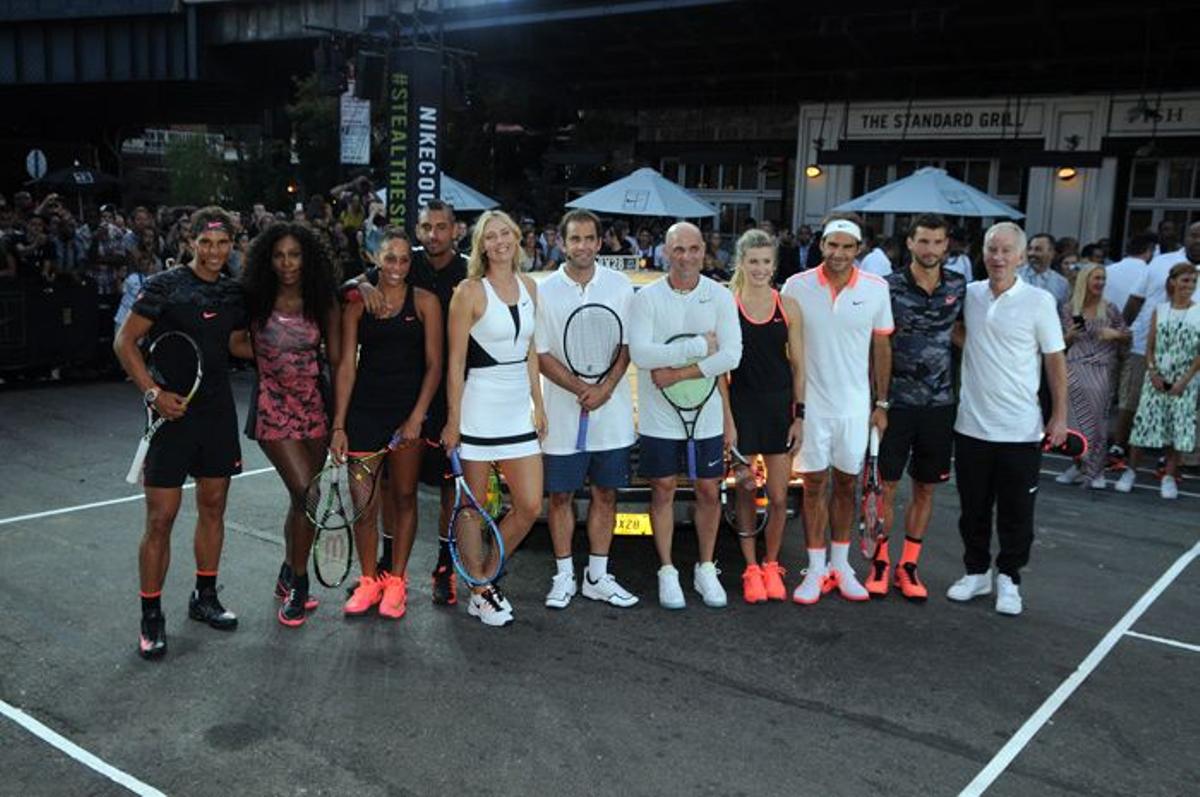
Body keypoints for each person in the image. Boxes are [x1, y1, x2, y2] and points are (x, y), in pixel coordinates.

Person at [112, 207, 248, 660]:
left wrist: (296, 346)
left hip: (217, 415)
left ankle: (203, 597)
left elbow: (234, 343)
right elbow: (124, 343)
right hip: (170, 416)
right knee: (160, 519)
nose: (214, 251)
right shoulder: (163, 286)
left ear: (232, 244)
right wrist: (152, 394)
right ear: (190, 242)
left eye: (222, 243)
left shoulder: (234, 290)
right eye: (205, 242)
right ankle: (151, 617)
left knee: (213, 508)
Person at [345, 200, 468, 605]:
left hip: (454, 390)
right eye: (427, 227)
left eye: (441, 227)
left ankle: (444, 566)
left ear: (456, 230)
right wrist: (357, 286)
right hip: (399, 396)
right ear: (419, 230)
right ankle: (383, 569)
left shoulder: (469, 269)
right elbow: (346, 287)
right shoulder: (403, 260)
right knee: (388, 489)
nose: (434, 234)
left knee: (446, 485)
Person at [948, 222, 1067, 617]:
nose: (998, 257)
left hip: (1020, 429)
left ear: (1020, 257)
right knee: (973, 509)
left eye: (1006, 251)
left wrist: (1060, 416)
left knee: (1017, 512)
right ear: (983, 253)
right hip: (971, 426)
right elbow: (958, 333)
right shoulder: (970, 295)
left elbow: (1054, 360)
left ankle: (1009, 579)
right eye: (991, 250)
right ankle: (976, 572)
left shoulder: (1039, 301)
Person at [628, 221, 742, 609]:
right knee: (662, 490)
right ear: (665, 252)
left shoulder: (719, 296)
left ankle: (705, 568)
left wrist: (678, 371)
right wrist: (698, 346)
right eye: (678, 249)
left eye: (694, 249)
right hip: (660, 418)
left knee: (709, 491)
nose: (687, 257)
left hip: (706, 416)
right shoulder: (646, 299)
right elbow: (641, 354)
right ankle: (667, 571)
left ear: (703, 252)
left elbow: (731, 354)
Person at [441, 210, 546, 626]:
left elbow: (532, 349)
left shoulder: (530, 286)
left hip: (519, 411)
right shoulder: (468, 291)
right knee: (471, 506)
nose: (499, 242)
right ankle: (481, 592)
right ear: (481, 245)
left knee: (529, 504)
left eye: (506, 233)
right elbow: (454, 364)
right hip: (479, 410)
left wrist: (539, 404)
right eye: (491, 236)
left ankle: (482, 575)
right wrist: (452, 421)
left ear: (517, 238)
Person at [782, 213, 892, 605]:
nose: (839, 253)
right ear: (822, 245)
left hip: (854, 408)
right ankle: (815, 569)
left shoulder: (877, 289)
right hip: (811, 408)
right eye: (833, 245)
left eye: (847, 247)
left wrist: (881, 403)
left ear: (858, 249)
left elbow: (881, 348)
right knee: (813, 487)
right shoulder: (796, 286)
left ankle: (841, 565)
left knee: (846, 485)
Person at [332, 229, 443, 619]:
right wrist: (339, 425)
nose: (397, 267)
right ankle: (368, 581)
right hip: (364, 414)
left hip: (407, 415)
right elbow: (346, 366)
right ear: (376, 259)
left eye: (403, 260)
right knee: (364, 506)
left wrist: (417, 416)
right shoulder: (358, 305)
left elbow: (435, 366)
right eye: (390, 258)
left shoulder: (426, 302)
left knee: (405, 497)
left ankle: (396, 582)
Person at [238, 223, 342, 626]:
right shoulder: (255, 298)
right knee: (309, 494)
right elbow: (232, 341)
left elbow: (336, 356)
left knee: (301, 501)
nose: (286, 263)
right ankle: (300, 585)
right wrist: (271, 357)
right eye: (279, 255)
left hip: (314, 406)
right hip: (272, 408)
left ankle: (286, 570)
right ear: (268, 258)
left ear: (307, 258)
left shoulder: (321, 299)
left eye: (294, 255)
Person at [535, 209, 638, 610]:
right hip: (562, 415)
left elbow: (627, 345)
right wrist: (582, 388)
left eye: (589, 238)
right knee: (560, 497)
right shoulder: (544, 290)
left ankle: (598, 575)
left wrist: (607, 388)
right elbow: (540, 354)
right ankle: (564, 577)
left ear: (599, 242)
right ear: (562, 243)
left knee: (605, 493)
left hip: (609, 416)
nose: (582, 245)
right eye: (574, 238)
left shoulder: (620, 285)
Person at [869, 214, 965, 601]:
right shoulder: (887, 287)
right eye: (923, 241)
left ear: (947, 246)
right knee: (886, 487)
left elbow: (963, 334)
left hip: (940, 405)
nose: (929, 249)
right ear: (909, 243)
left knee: (925, 487)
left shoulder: (959, 286)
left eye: (937, 242)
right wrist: (877, 401)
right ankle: (880, 562)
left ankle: (908, 565)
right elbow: (877, 346)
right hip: (896, 404)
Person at [721, 229, 804, 603]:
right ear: (742, 262)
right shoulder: (727, 304)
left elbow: (799, 366)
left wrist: (799, 415)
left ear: (774, 265)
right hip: (742, 408)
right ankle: (751, 568)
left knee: (778, 495)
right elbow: (720, 374)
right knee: (745, 491)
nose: (759, 268)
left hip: (778, 409)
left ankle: (772, 565)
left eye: (766, 261)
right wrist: (727, 420)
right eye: (752, 261)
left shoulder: (788, 305)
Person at [1115, 222, 1200, 472]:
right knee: (1133, 401)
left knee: (1181, 408)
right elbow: (1135, 299)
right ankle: (1119, 448)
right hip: (1145, 345)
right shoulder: (1161, 262)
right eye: (1194, 235)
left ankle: (1169, 458)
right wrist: (1123, 332)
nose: (1198, 240)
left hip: (1188, 354)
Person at [1123, 263, 1200, 499]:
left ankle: (1169, 476)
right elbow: (1150, 347)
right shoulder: (1160, 309)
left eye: (1193, 282)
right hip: (1157, 376)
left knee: (1177, 427)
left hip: (1185, 379)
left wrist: (1184, 380)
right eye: (1185, 280)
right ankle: (1131, 471)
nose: (1189, 286)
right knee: (1144, 423)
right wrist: (1153, 372)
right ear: (1173, 282)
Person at [1055, 264, 1128, 490]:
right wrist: (1070, 335)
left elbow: (1126, 336)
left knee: (1096, 421)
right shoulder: (1069, 309)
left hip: (1101, 370)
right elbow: (1059, 343)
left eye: (1103, 279)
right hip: (1075, 369)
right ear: (1085, 280)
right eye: (1096, 278)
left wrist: (1113, 334)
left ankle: (1095, 470)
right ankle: (1079, 464)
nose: (1100, 283)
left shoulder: (1110, 309)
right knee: (1073, 423)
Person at [1019, 233, 1070, 305]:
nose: (1032, 253)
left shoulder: (1061, 283)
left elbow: (1061, 312)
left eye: (1038, 249)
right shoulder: (1015, 276)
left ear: (1052, 253)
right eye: (1030, 249)